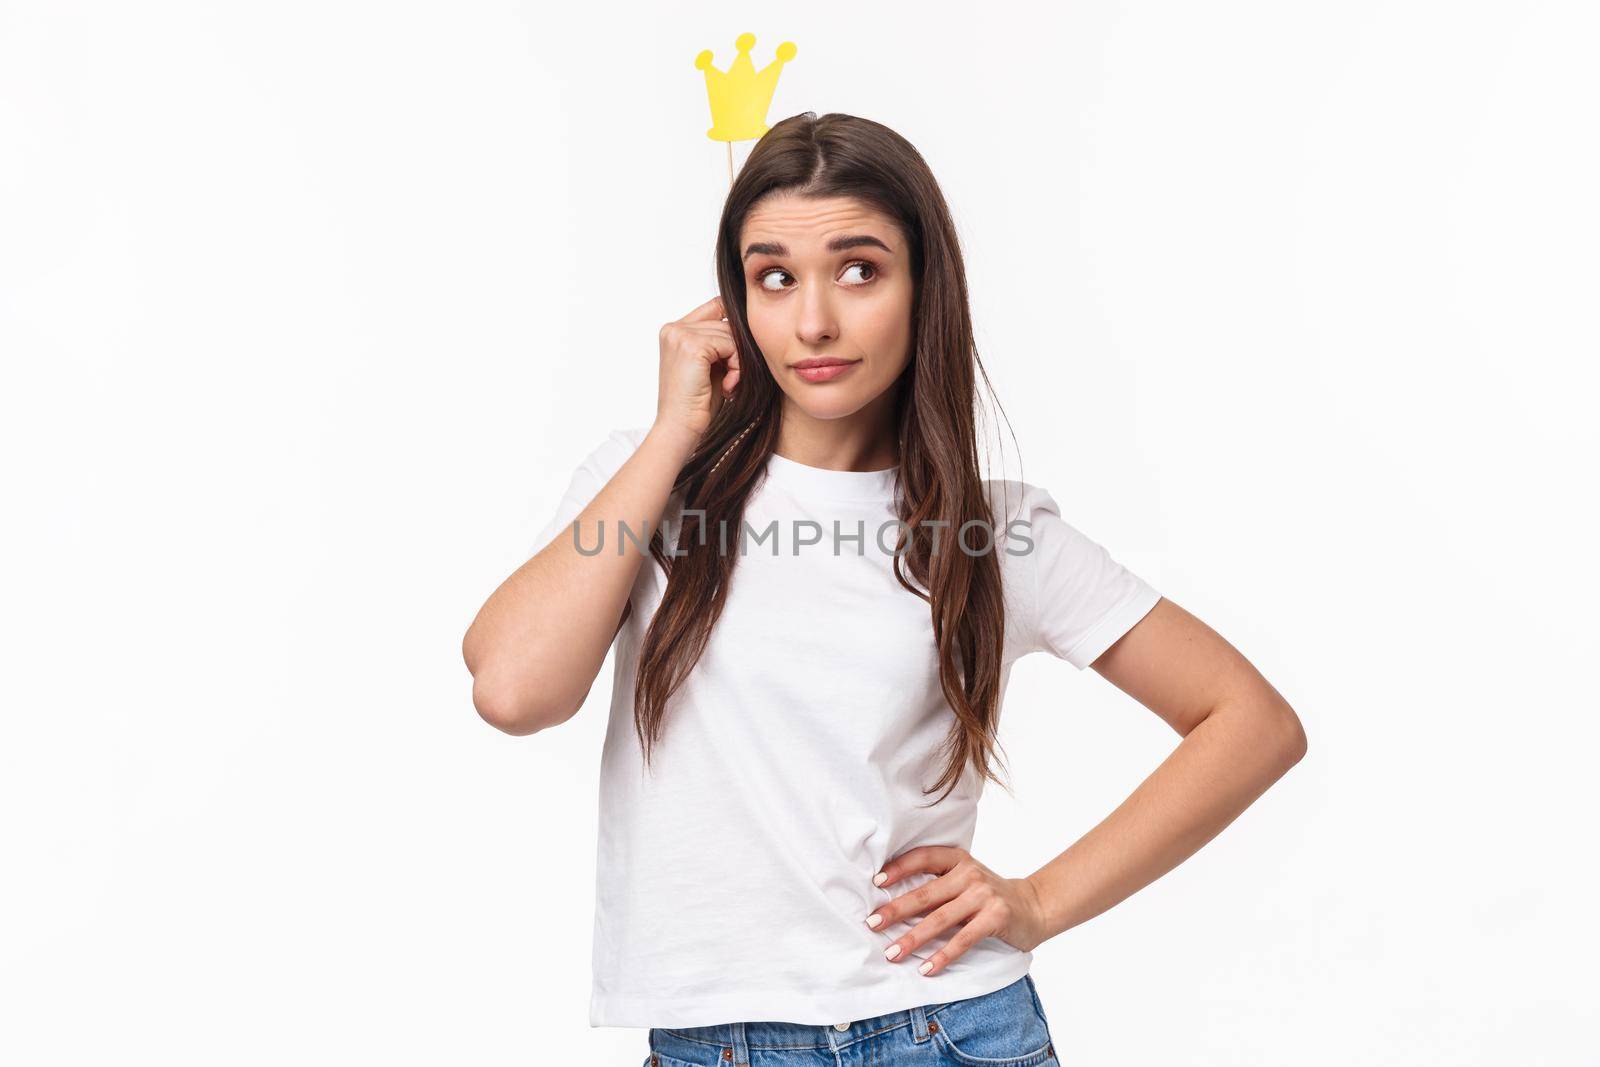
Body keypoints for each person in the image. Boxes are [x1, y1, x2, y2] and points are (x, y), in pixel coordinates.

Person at [461, 112, 1307, 1066]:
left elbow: (1252, 721)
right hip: (712, 1045)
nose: (813, 320)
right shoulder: (652, 488)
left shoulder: (995, 531)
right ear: (735, 302)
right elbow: (513, 690)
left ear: (923, 288)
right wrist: (671, 435)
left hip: (944, 1031)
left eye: (859, 269)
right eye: (774, 277)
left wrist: (1038, 901)